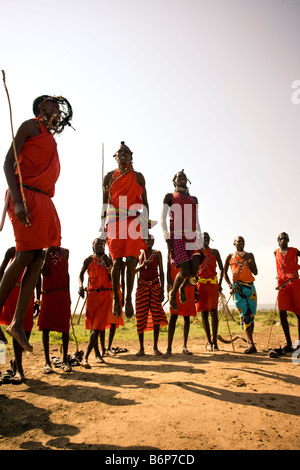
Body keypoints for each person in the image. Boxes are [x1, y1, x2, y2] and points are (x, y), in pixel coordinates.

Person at [0, 95, 73, 352]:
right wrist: (18, 202)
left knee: (37, 257)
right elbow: (8, 163)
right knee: (24, 254)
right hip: (24, 194)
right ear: (41, 106)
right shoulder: (29, 126)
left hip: (42, 199)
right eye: (53, 104)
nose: (58, 109)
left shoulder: (50, 138)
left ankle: (17, 323)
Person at [100, 141, 151, 319]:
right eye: (119, 153)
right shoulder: (108, 177)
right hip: (114, 220)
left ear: (131, 156)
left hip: (133, 220)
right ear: (115, 157)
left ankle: (128, 298)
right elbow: (104, 204)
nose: (122, 155)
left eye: (126, 153)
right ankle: (117, 298)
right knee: (116, 263)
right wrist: (101, 229)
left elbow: (145, 203)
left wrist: (145, 227)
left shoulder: (138, 177)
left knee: (131, 261)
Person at [161, 169, 204, 311]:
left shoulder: (194, 199)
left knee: (194, 270)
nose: (182, 178)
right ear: (174, 181)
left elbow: (196, 221)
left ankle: (182, 287)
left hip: (192, 235)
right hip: (177, 235)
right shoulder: (169, 197)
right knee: (185, 271)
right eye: (179, 177)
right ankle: (173, 293)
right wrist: (167, 239)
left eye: (184, 177)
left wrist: (200, 236)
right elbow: (163, 220)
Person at [78, 238, 124, 368]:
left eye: (101, 244)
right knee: (94, 327)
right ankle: (97, 355)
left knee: (97, 327)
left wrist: (108, 263)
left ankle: (85, 358)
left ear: (105, 246)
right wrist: (81, 286)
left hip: (105, 295)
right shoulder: (88, 260)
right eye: (96, 244)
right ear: (93, 246)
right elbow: (81, 274)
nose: (99, 246)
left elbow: (113, 277)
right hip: (92, 295)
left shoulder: (108, 260)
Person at [0, 247, 41, 383]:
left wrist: (38, 299)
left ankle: (15, 362)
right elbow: (2, 271)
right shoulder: (12, 251)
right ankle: (19, 369)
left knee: (27, 330)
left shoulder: (37, 252)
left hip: (27, 294)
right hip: (11, 292)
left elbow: (38, 277)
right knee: (15, 327)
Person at [38, 247, 72, 373]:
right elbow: (43, 272)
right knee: (45, 328)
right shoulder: (43, 252)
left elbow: (66, 273)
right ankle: (47, 362)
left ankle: (65, 361)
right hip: (48, 294)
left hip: (62, 292)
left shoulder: (65, 252)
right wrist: (47, 254)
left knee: (65, 328)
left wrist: (68, 294)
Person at [135, 235, 168, 357]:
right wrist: (142, 264)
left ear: (153, 241)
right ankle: (141, 348)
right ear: (144, 241)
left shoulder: (157, 254)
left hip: (155, 286)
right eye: (147, 240)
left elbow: (162, 271)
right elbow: (133, 270)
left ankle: (155, 347)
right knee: (140, 316)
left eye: (151, 240)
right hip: (142, 287)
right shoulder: (139, 253)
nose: (149, 242)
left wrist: (162, 290)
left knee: (156, 316)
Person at [224, 236, 258, 353]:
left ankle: (250, 341)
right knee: (245, 313)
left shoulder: (250, 255)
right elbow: (224, 273)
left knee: (251, 315)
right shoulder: (230, 257)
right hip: (237, 288)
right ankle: (251, 344)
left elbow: (255, 272)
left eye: (242, 241)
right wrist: (229, 285)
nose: (241, 243)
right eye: (238, 241)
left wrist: (249, 261)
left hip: (250, 287)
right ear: (234, 243)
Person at [163, 253, 197, 358]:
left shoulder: (189, 251)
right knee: (173, 316)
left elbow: (194, 271)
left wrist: (196, 291)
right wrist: (169, 286)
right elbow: (168, 270)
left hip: (188, 286)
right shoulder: (171, 252)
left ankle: (184, 346)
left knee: (186, 317)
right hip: (175, 286)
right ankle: (169, 348)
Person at [195, 232, 224, 351]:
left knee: (214, 312)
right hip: (201, 285)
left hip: (213, 284)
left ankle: (215, 343)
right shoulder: (197, 252)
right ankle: (209, 341)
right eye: (203, 238)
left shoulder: (214, 252)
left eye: (207, 238)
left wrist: (220, 284)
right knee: (204, 313)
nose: (205, 240)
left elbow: (222, 269)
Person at [274, 232, 300, 352]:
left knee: (299, 313)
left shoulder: (295, 251)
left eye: (285, 238)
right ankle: (289, 343)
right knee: (282, 312)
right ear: (278, 241)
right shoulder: (276, 252)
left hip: (295, 283)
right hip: (283, 286)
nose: (283, 240)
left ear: (288, 240)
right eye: (281, 239)